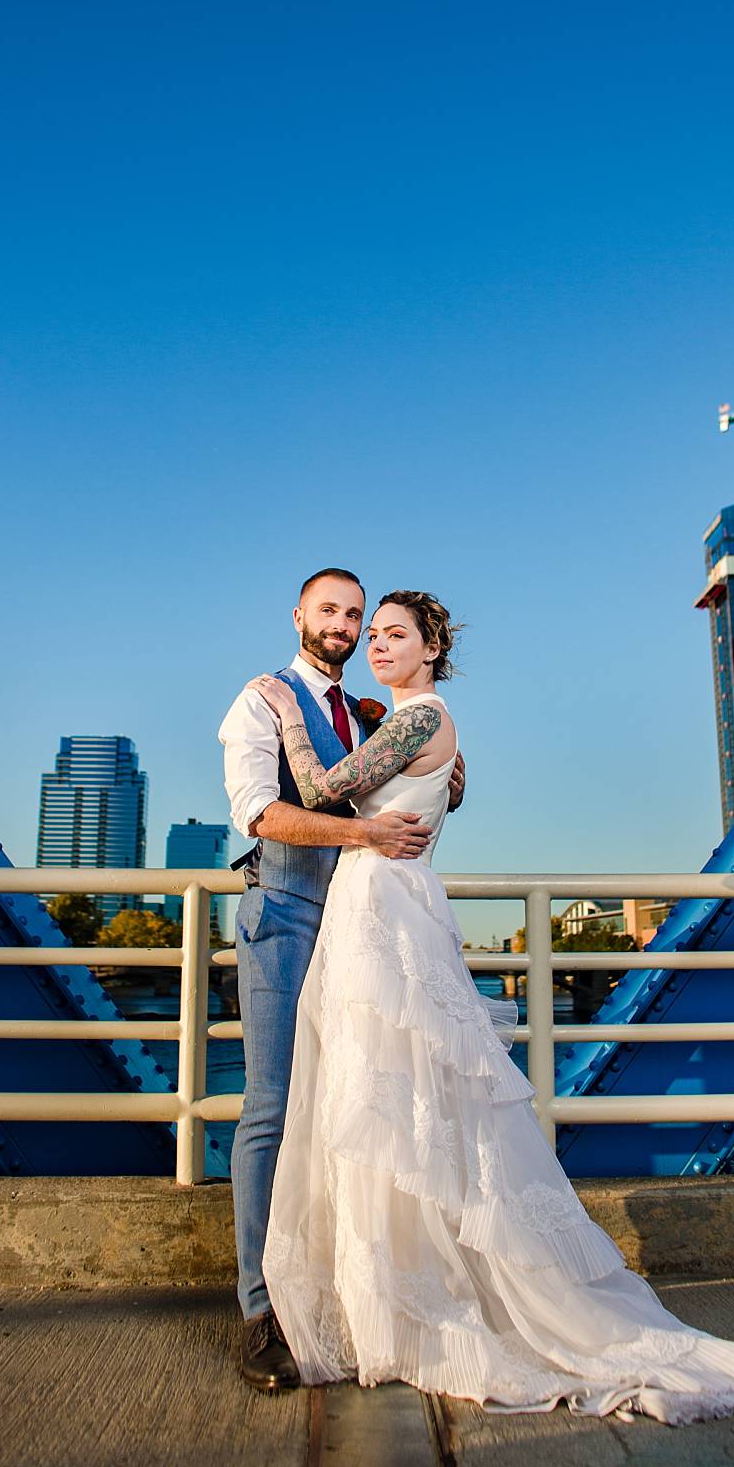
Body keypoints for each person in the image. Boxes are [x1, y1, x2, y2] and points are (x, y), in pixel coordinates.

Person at [251, 590, 734, 1424]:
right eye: (376, 634)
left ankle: (407, 1298)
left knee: (391, 1092)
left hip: (382, 907)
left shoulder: (415, 719)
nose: (379, 645)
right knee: (392, 1096)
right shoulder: (410, 722)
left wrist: (282, 699)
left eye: (397, 633)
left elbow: (325, 786)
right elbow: (416, 787)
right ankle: (390, 1293)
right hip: (381, 905)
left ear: (432, 648)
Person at [218, 567, 465, 1390]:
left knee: (352, 1110)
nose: (346, 624)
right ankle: (260, 1312)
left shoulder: (369, 713)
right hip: (286, 916)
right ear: (298, 614)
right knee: (273, 1106)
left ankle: (327, 1292)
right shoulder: (261, 701)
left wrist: (444, 775)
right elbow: (262, 814)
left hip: (361, 929)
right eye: (331, 609)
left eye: (357, 615)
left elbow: (431, 783)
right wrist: (361, 838)